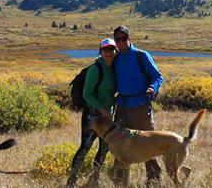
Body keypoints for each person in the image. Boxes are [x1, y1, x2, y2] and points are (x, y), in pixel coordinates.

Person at [111, 25, 164, 185]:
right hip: (121, 108)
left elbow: (157, 76)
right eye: (118, 39)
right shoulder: (115, 59)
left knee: (148, 143)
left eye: (124, 38)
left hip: (141, 106)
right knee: (118, 142)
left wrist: (152, 88)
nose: (121, 42)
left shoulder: (142, 56)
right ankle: (120, 180)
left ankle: (154, 179)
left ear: (129, 39)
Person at [66, 38, 118, 187]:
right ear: (100, 51)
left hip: (108, 115)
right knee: (86, 146)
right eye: (105, 49)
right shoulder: (95, 69)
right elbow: (87, 94)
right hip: (93, 114)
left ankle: (94, 178)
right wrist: (102, 110)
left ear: (115, 51)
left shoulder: (114, 70)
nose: (108, 52)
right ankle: (71, 180)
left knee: (104, 148)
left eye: (111, 49)